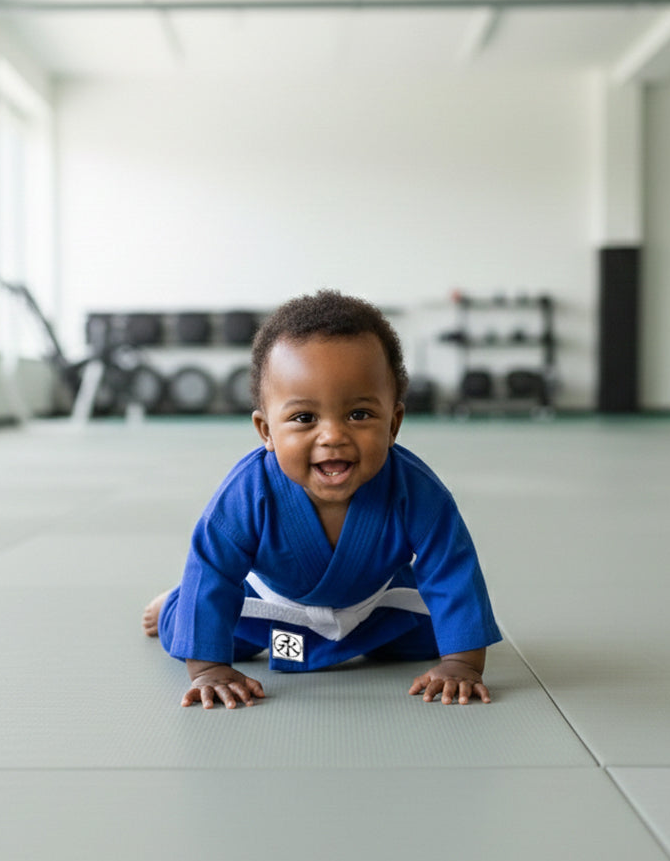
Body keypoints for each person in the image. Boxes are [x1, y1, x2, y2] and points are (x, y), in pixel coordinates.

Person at [143, 290, 502, 709]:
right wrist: (208, 670)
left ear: (394, 423)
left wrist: (462, 663)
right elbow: (213, 570)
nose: (332, 435)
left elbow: (451, 570)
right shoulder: (246, 493)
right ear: (266, 432)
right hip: (272, 611)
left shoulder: (417, 490)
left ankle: (368, 643)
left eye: (359, 414)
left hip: (374, 607)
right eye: (303, 418)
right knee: (200, 626)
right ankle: (172, 601)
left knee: (433, 636)